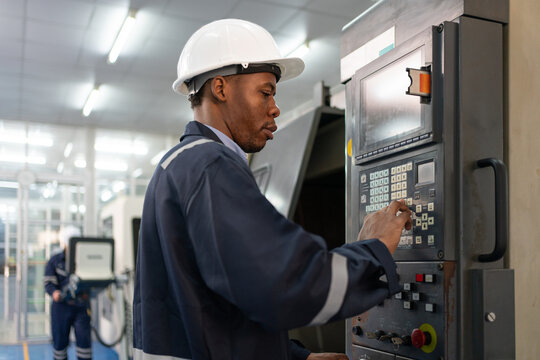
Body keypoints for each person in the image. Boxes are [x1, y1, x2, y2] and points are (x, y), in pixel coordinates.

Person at [133, 19, 412, 360]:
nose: (275, 107)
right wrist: (374, 251)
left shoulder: (180, 164)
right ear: (220, 88)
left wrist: (298, 357)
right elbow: (284, 284)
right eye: (265, 92)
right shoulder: (209, 165)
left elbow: (220, 306)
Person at [44, 226, 92, 360]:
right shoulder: (55, 261)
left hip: (81, 307)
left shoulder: (85, 260)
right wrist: (54, 292)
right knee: (60, 343)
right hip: (61, 307)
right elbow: (48, 282)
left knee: (84, 343)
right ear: (65, 243)